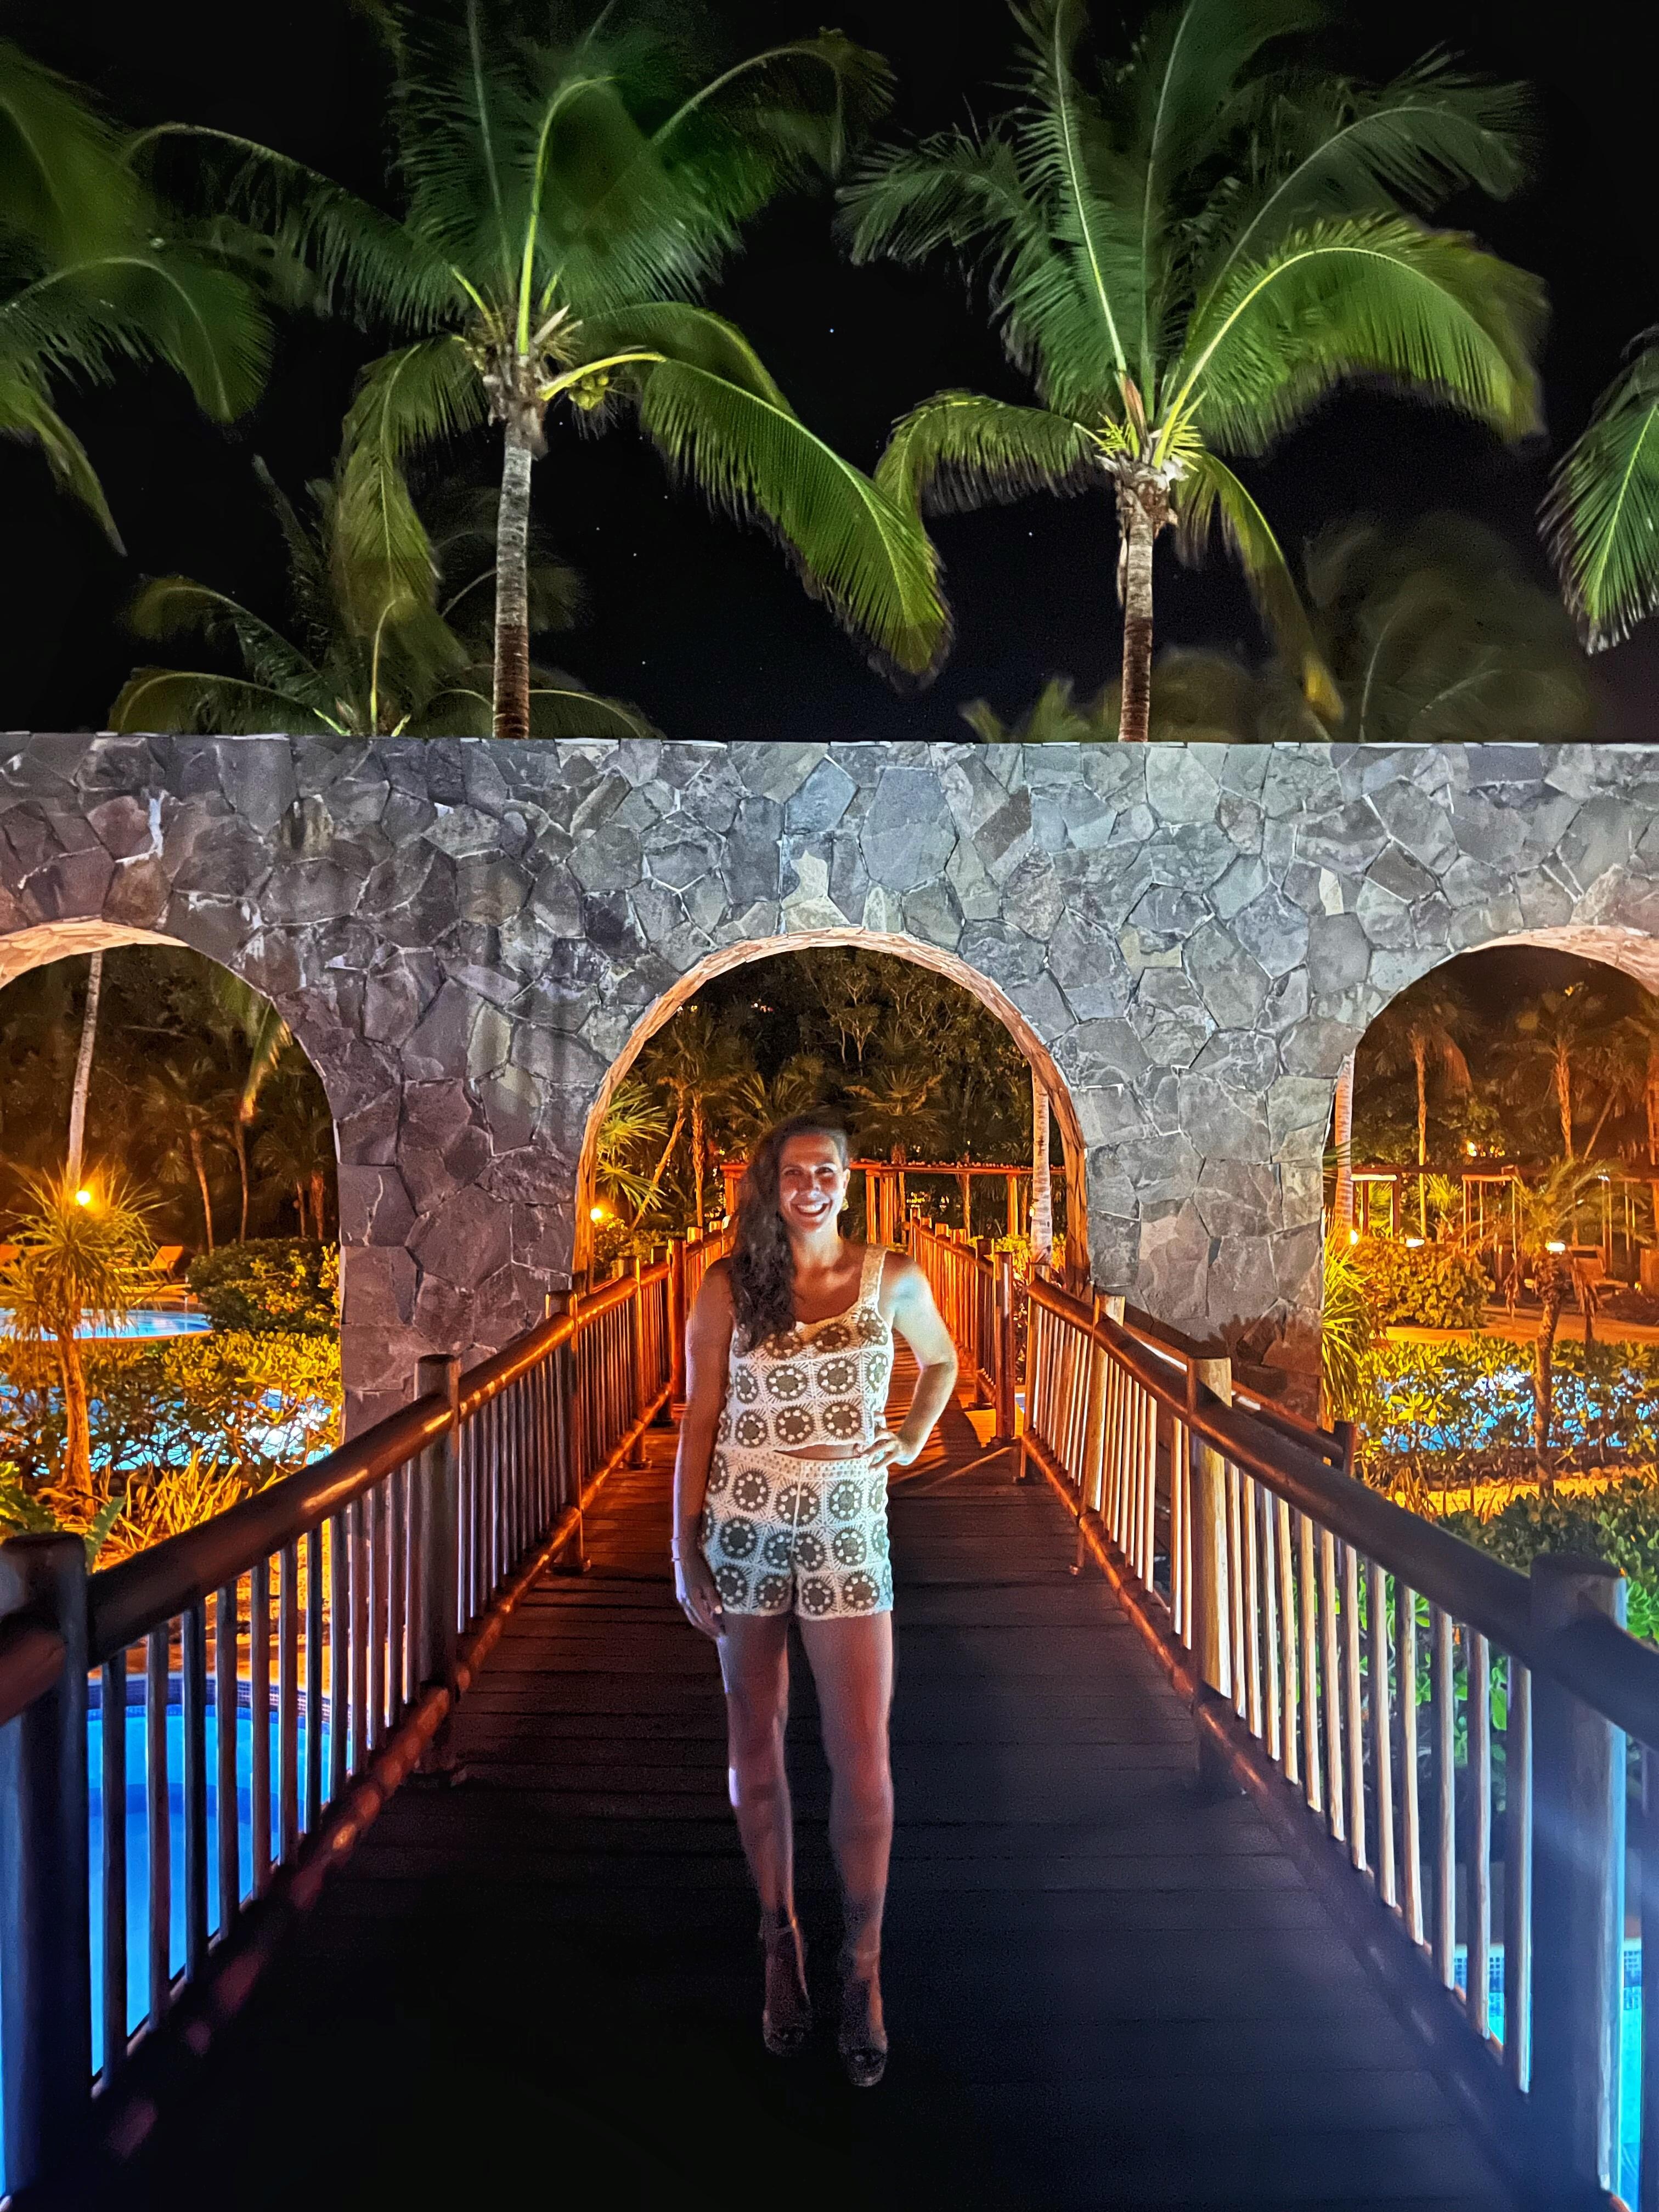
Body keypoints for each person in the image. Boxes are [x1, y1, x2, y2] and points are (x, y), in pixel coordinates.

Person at [672, 1118, 958, 2087]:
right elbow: (700, 1415)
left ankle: (863, 1967)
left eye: (824, 1171)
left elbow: (943, 1363)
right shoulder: (728, 1285)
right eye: (792, 1173)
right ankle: (778, 1941)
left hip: (848, 1526)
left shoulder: (893, 1278)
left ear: (847, 1180)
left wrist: (910, 1437)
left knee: (863, 1757)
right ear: (771, 1183)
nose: (809, 1187)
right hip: (743, 1522)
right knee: (754, 1742)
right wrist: (682, 1548)